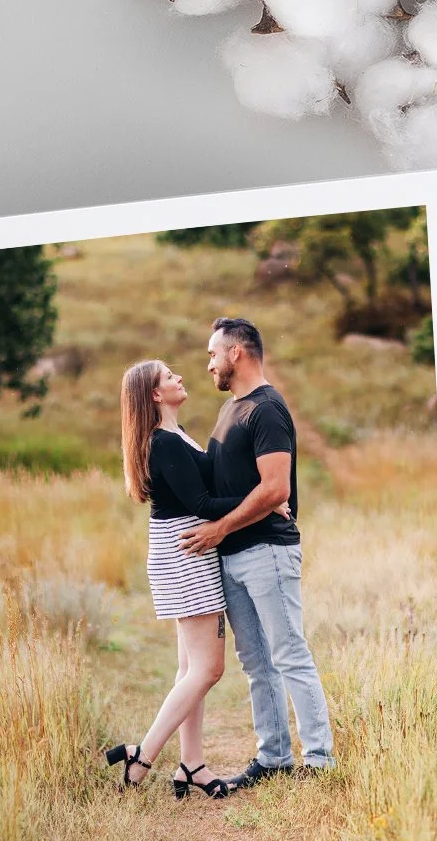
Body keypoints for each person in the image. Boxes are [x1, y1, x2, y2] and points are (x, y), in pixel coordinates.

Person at [178, 317, 335, 790]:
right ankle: (273, 757)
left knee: (289, 653)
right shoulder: (231, 410)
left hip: (267, 551)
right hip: (232, 556)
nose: (208, 364)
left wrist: (219, 528)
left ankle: (319, 760)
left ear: (236, 354)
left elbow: (274, 489)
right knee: (256, 662)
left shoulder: (267, 410)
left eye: (212, 354)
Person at [103, 358, 244, 798]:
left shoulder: (173, 435)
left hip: (182, 552)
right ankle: (142, 755)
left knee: (190, 669)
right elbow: (202, 503)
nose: (180, 376)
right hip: (185, 554)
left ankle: (192, 765)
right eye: (169, 376)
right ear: (154, 395)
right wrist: (263, 501)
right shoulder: (163, 442)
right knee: (208, 668)